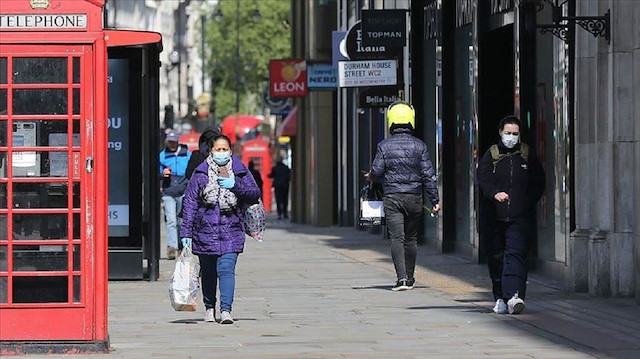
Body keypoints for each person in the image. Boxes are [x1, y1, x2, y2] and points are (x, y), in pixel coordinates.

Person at [180, 134, 261, 324]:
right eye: (218, 149)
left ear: (230, 152)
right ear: (211, 151)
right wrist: (186, 232)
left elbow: (254, 194)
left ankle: (226, 311)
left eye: (225, 149)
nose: (221, 153)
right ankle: (209, 308)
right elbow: (190, 203)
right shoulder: (200, 174)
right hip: (204, 232)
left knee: (226, 270)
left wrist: (236, 186)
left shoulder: (240, 171)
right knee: (208, 273)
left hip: (231, 230)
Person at [365, 100, 441, 291]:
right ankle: (411, 276)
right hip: (415, 197)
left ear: (390, 121)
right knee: (411, 239)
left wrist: (371, 176)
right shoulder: (420, 146)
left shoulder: (383, 146)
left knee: (397, 238)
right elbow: (428, 175)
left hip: (393, 197)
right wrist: (435, 201)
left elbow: (377, 170)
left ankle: (402, 279)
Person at [476, 115, 544, 315]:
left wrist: (525, 202)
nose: (511, 137)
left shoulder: (526, 154)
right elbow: (483, 178)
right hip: (494, 217)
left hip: (520, 217)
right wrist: (494, 193)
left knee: (515, 256)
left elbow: (538, 183)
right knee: (496, 257)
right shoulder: (492, 154)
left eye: (515, 133)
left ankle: (515, 296)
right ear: (500, 132)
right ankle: (500, 297)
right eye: (508, 133)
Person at [159, 130, 191, 260]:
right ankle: (171, 247)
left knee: (181, 221)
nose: (171, 144)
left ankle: (181, 245)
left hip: (182, 190)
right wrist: (162, 172)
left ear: (178, 141)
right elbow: (157, 169)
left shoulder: (187, 155)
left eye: (173, 142)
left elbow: (190, 170)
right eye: (169, 142)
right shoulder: (162, 155)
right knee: (171, 220)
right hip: (168, 190)